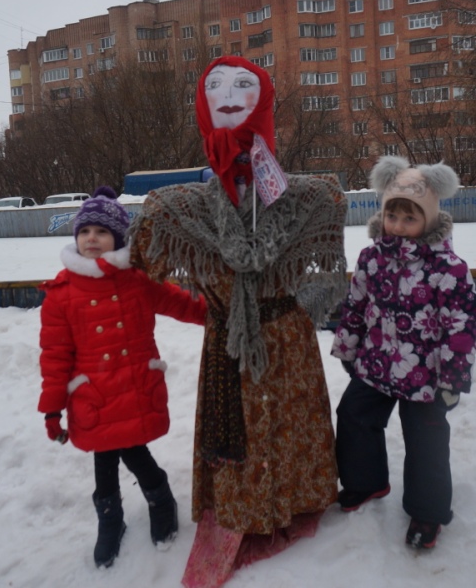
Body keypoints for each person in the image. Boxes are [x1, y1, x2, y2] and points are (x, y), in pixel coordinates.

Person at [128, 56, 348, 588]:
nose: (229, 95)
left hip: (287, 337)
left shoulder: (311, 198)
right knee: (240, 431)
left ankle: (296, 496)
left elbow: (330, 272)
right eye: (216, 87)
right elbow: (140, 266)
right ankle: (245, 506)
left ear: (266, 99)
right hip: (229, 338)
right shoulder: (177, 208)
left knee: (290, 417)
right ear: (202, 106)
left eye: (246, 85)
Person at [37, 186, 207, 568]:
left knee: (132, 449)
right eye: (84, 231)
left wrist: (219, 313)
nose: (91, 238)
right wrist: (52, 410)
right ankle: (110, 519)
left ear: (117, 238)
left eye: (101, 232)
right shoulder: (61, 294)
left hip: (132, 386)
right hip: (93, 397)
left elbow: (179, 302)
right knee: (104, 458)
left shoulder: (136, 280)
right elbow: (55, 356)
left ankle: (160, 498)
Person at [330, 155, 476, 550]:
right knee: (353, 416)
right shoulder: (372, 258)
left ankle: (427, 512)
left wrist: (453, 379)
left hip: (426, 376)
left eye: (409, 218)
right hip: (377, 362)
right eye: (392, 216)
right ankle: (366, 482)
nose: (398, 225)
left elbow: (461, 327)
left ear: (428, 220)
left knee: (426, 441)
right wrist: (349, 347)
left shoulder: (447, 268)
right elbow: (356, 305)